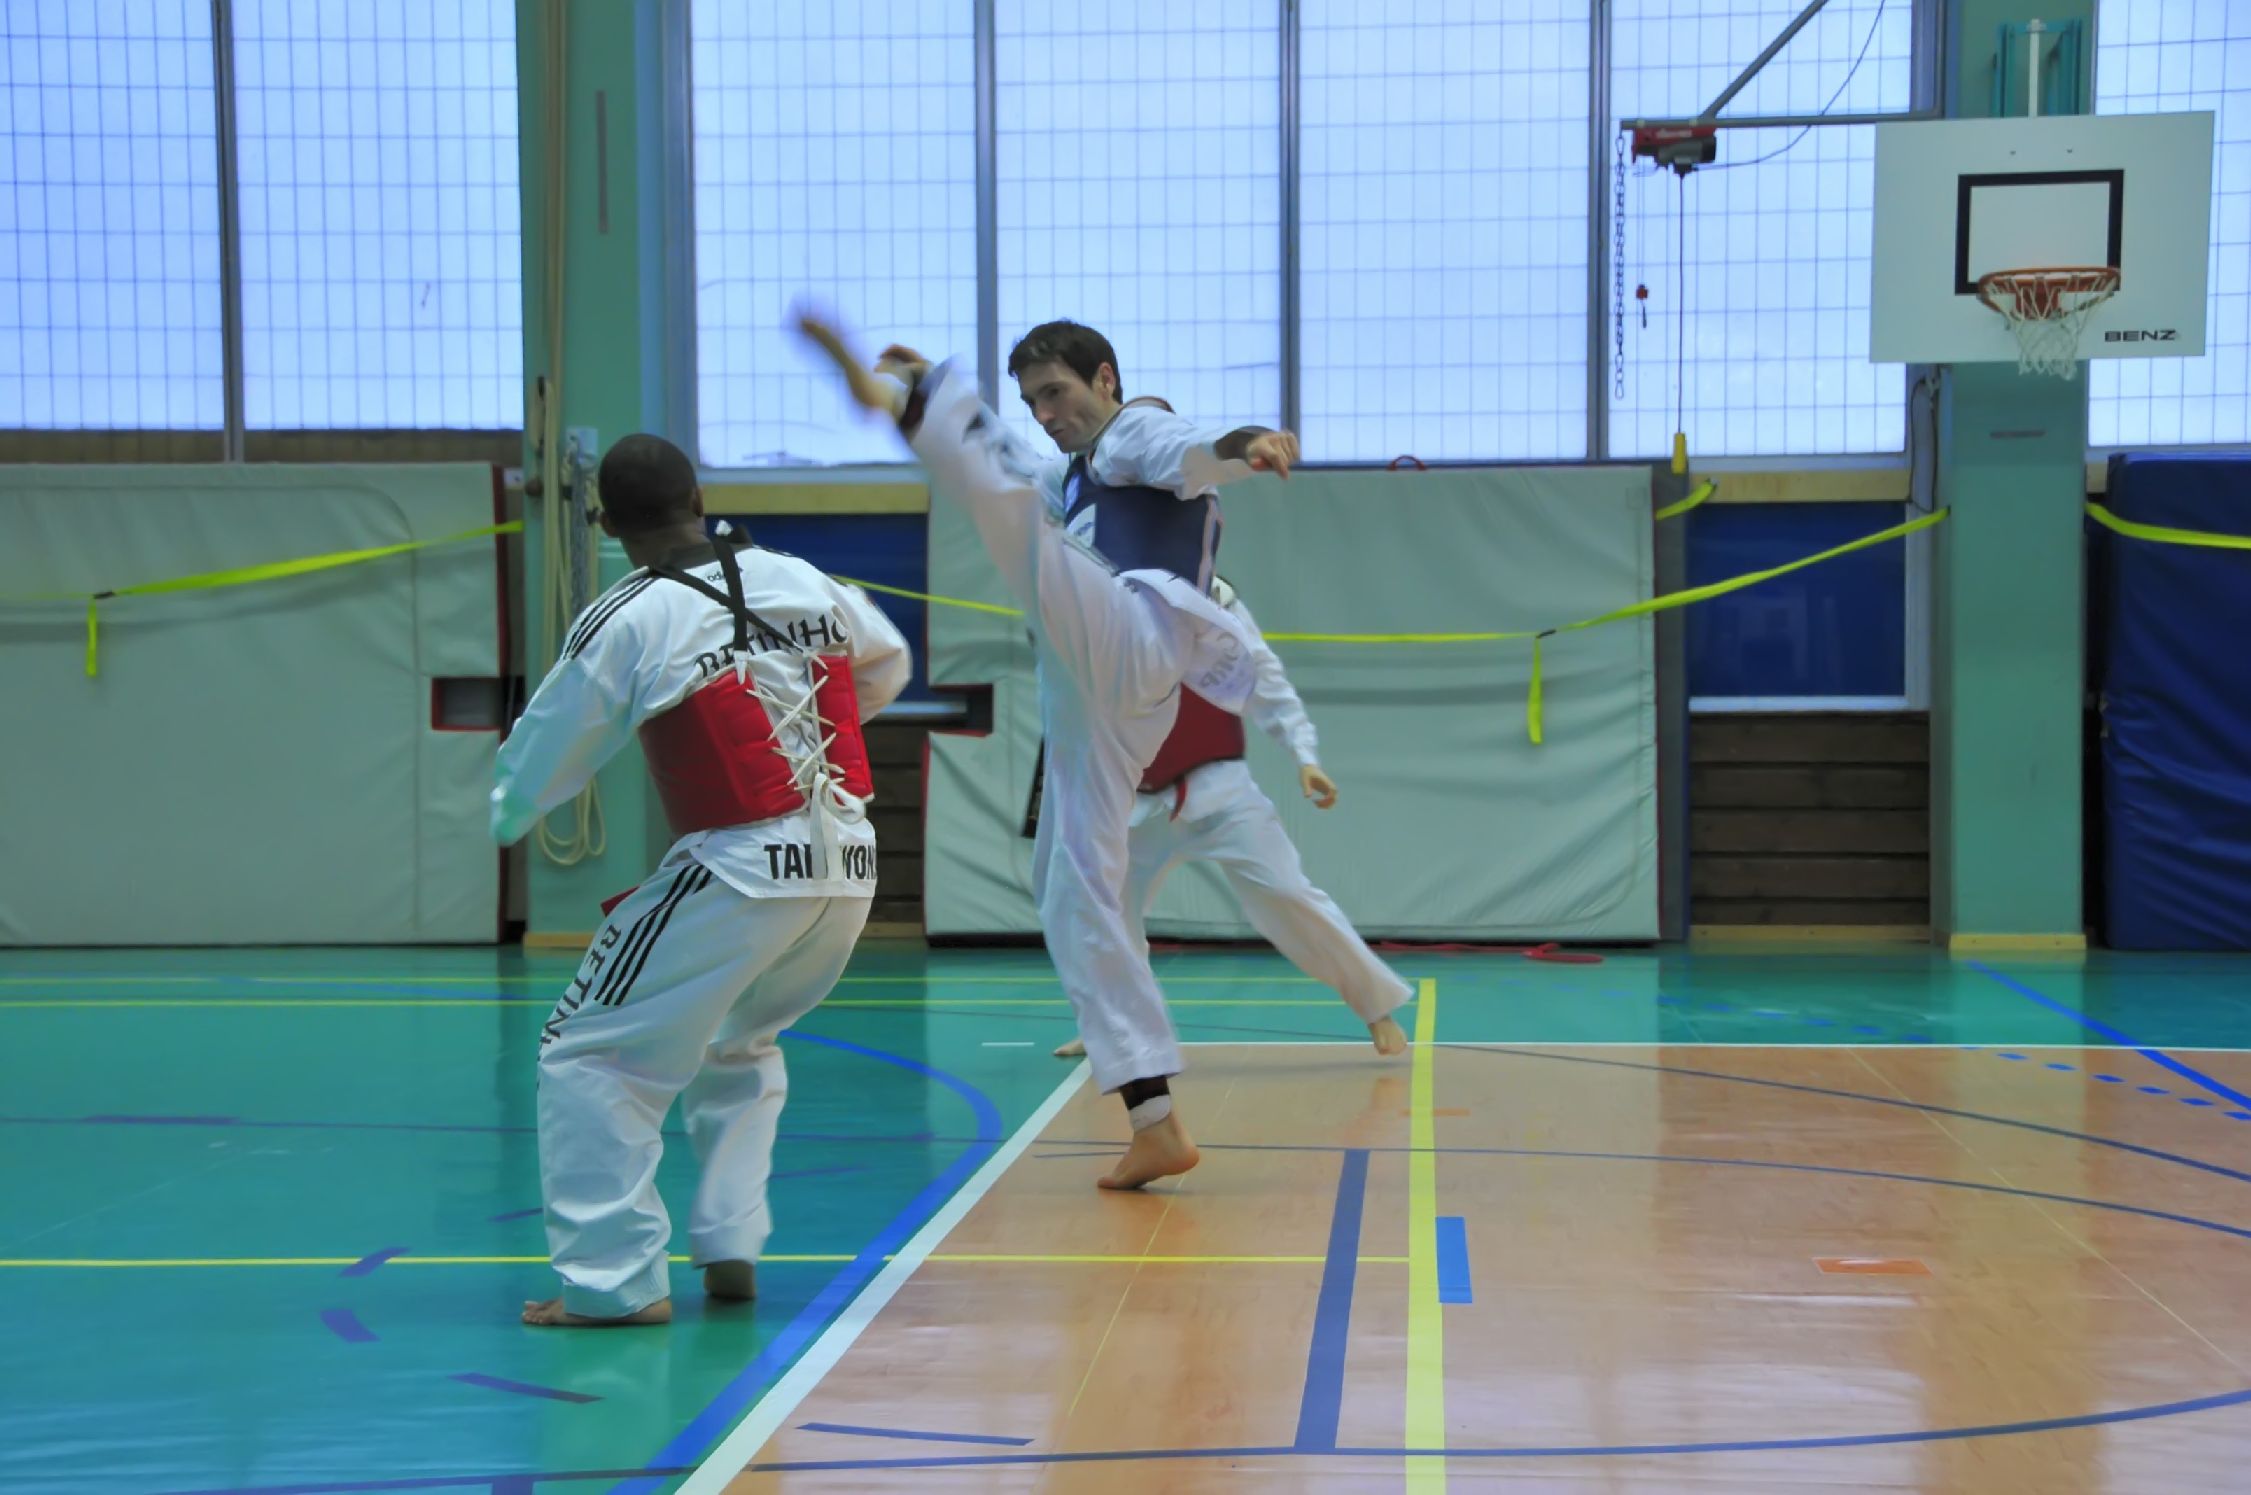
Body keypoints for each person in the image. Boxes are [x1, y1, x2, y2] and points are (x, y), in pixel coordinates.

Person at [798, 310, 1283, 1191]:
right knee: (1067, 889)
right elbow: (1017, 458)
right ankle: (1153, 1118)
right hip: (1103, 694)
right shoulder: (1075, 473)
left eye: (1057, 393)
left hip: (1131, 631)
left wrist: (1246, 445)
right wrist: (937, 386)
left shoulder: (1133, 431)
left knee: (1016, 526)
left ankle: (897, 404)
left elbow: (1189, 452)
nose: (1047, 413)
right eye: (1033, 401)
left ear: (1106, 379)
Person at [491, 432, 911, 1326]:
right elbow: (884, 661)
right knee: (738, 1042)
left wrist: (505, 813)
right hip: (847, 863)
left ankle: (612, 1283)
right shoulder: (803, 579)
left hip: (741, 865)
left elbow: (546, 751)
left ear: (606, 524)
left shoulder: (631, 612)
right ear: (698, 498)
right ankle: (728, 1243)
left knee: (587, 1053)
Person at [1053, 573, 1412, 1061]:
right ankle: (1113, 1026)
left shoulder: (1213, 597)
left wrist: (1304, 755)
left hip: (1220, 789)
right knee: (1108, 914)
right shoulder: (1099, 592)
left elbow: (1266, 679)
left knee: (1288, 893)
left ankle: (1376, 1008)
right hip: (1135, 801)